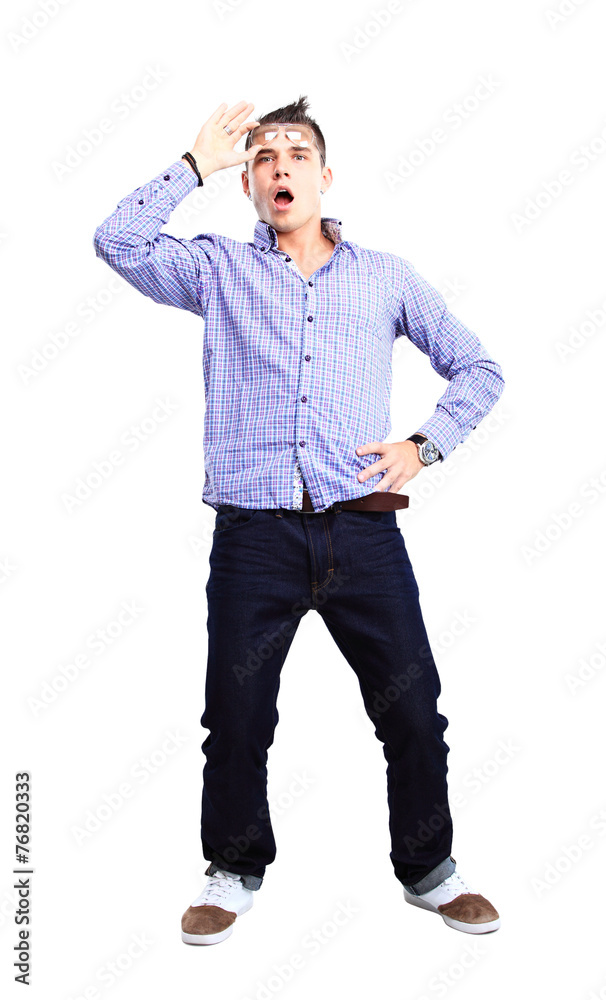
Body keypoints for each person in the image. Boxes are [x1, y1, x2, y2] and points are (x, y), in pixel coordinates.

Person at [93, 95, 505, 947]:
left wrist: (424, 445)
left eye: (296, 155)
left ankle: (430, 869)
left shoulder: (385, 277)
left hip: (363, 533)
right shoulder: (215, 270)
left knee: (414, 711)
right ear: (249, 183)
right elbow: (118, 242)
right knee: (237, 717)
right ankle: (233, 869)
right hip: (254, 538)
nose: (280, 167)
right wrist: (192, 165)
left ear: (325, 175)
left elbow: (478, 367)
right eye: (263, 158)